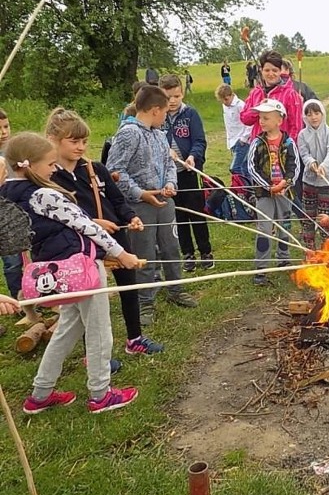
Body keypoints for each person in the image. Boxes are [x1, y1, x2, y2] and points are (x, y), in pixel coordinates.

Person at [1, 132, 140, 414]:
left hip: (56, 270)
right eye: (50, 164)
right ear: (27, 165)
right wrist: (121, 254)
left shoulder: (7, 193)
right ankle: (101, 393)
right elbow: (86, 226)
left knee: (68, 328)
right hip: (80, 268)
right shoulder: (43, 194)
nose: (54, 169)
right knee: (100, 328)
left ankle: (40, 394)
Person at [46, 108, 164, 356]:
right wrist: (94, 222)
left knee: (128, 286)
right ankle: (95, 355)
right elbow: (56, 217)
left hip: (115, 238)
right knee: (91, 301)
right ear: (53, 140)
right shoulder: (50, 178)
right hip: (81, 245)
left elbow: (117, 200)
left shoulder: (94, 169)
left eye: (84, 142)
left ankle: (135, 339)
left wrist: (131, 217)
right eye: (74, 141)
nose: (80, 147)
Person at [107, 84, 197, 325]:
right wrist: (140, 193)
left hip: (164, 202)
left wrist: (170, 183)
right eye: (165, 112)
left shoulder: (159, 134)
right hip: (140, 206)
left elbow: (170, 163)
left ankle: (176, 289)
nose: (167, 116)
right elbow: (114, 170)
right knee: (145, 253)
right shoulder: (128, 133)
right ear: (155, 110)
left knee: (170, 247)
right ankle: (145, 300)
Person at [159, 75, 213, 273]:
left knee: (196, 213)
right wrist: (166, 151)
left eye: (177, 95)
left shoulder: (191, 114)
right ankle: (187, 253)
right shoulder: (158, 116)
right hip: (168, 177)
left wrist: (192, 156)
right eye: (168, 97)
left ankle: (206, 252)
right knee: (178, 215)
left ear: (182, 94)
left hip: (188, 171)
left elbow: (199, 141)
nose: (172, 101)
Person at [246, 99, 299, 285]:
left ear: (279, 120)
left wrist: (286, 183)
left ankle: (283, 258)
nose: (262, 121)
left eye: (266, 118)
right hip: (264, 194)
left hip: (284, 192)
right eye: (260, 117)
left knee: (285, 225)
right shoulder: (257, 142)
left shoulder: (289, 142)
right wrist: (269, 186)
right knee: (265, 229)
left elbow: (295, 165)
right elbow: (251, 168)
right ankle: (261, 268)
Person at [297, 100, 329, 250]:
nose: (313, 117)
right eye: (309, 114)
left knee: (325, 218)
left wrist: (324, 166)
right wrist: (311, 163)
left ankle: (326, 250)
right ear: (304, 117)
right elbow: (304, 153)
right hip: (308, 181)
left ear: (323, 114)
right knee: (308, 217)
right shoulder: (302, 135)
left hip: (325, 182)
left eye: (316, 113)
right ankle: (310, 249)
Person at [0, 108, 28, 322]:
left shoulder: (16, 151)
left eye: (6, 127)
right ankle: (14, 299)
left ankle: (29, 298)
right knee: (11, 262)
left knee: (25, 258)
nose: (3, 132)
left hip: (16, 216)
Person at [240, 51, 304, 142]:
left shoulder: (290, 94)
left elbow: (296, 126)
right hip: (259, 148)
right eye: (267, 70)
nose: (271, 74)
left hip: (280, 149)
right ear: (261, 71)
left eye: (274, 70)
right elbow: (244, 119)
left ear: (280, 71)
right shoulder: (255, 92)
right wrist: (258, 108)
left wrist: (287, 147)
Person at [216, 83, 252, 178]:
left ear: (232, 95)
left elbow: (249, 123)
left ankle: (243, 187)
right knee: (244, 168)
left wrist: (243, 139)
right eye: (222, 100)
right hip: (232, 140)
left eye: (226, 99)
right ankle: (248, 190)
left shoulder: (240, 105)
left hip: (242, 140)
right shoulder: (225, 106)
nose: (224, 102)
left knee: (236, 168)